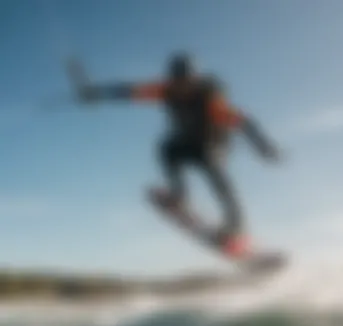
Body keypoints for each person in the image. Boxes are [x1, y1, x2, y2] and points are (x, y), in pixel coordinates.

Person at [66, 52, 282, 255]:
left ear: (194, 80)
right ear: (172, 79)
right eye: (178, 83)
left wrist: (264, 146)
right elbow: (127, 91)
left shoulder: (210, 98)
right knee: (167, 148)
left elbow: (244, 121)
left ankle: (237, 230)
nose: (182, 88)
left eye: (187, 83)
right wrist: (95, 93)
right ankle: (179, 196)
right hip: (188, 144)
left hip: (214, 145)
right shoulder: (165, 90)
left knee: (216, 175)